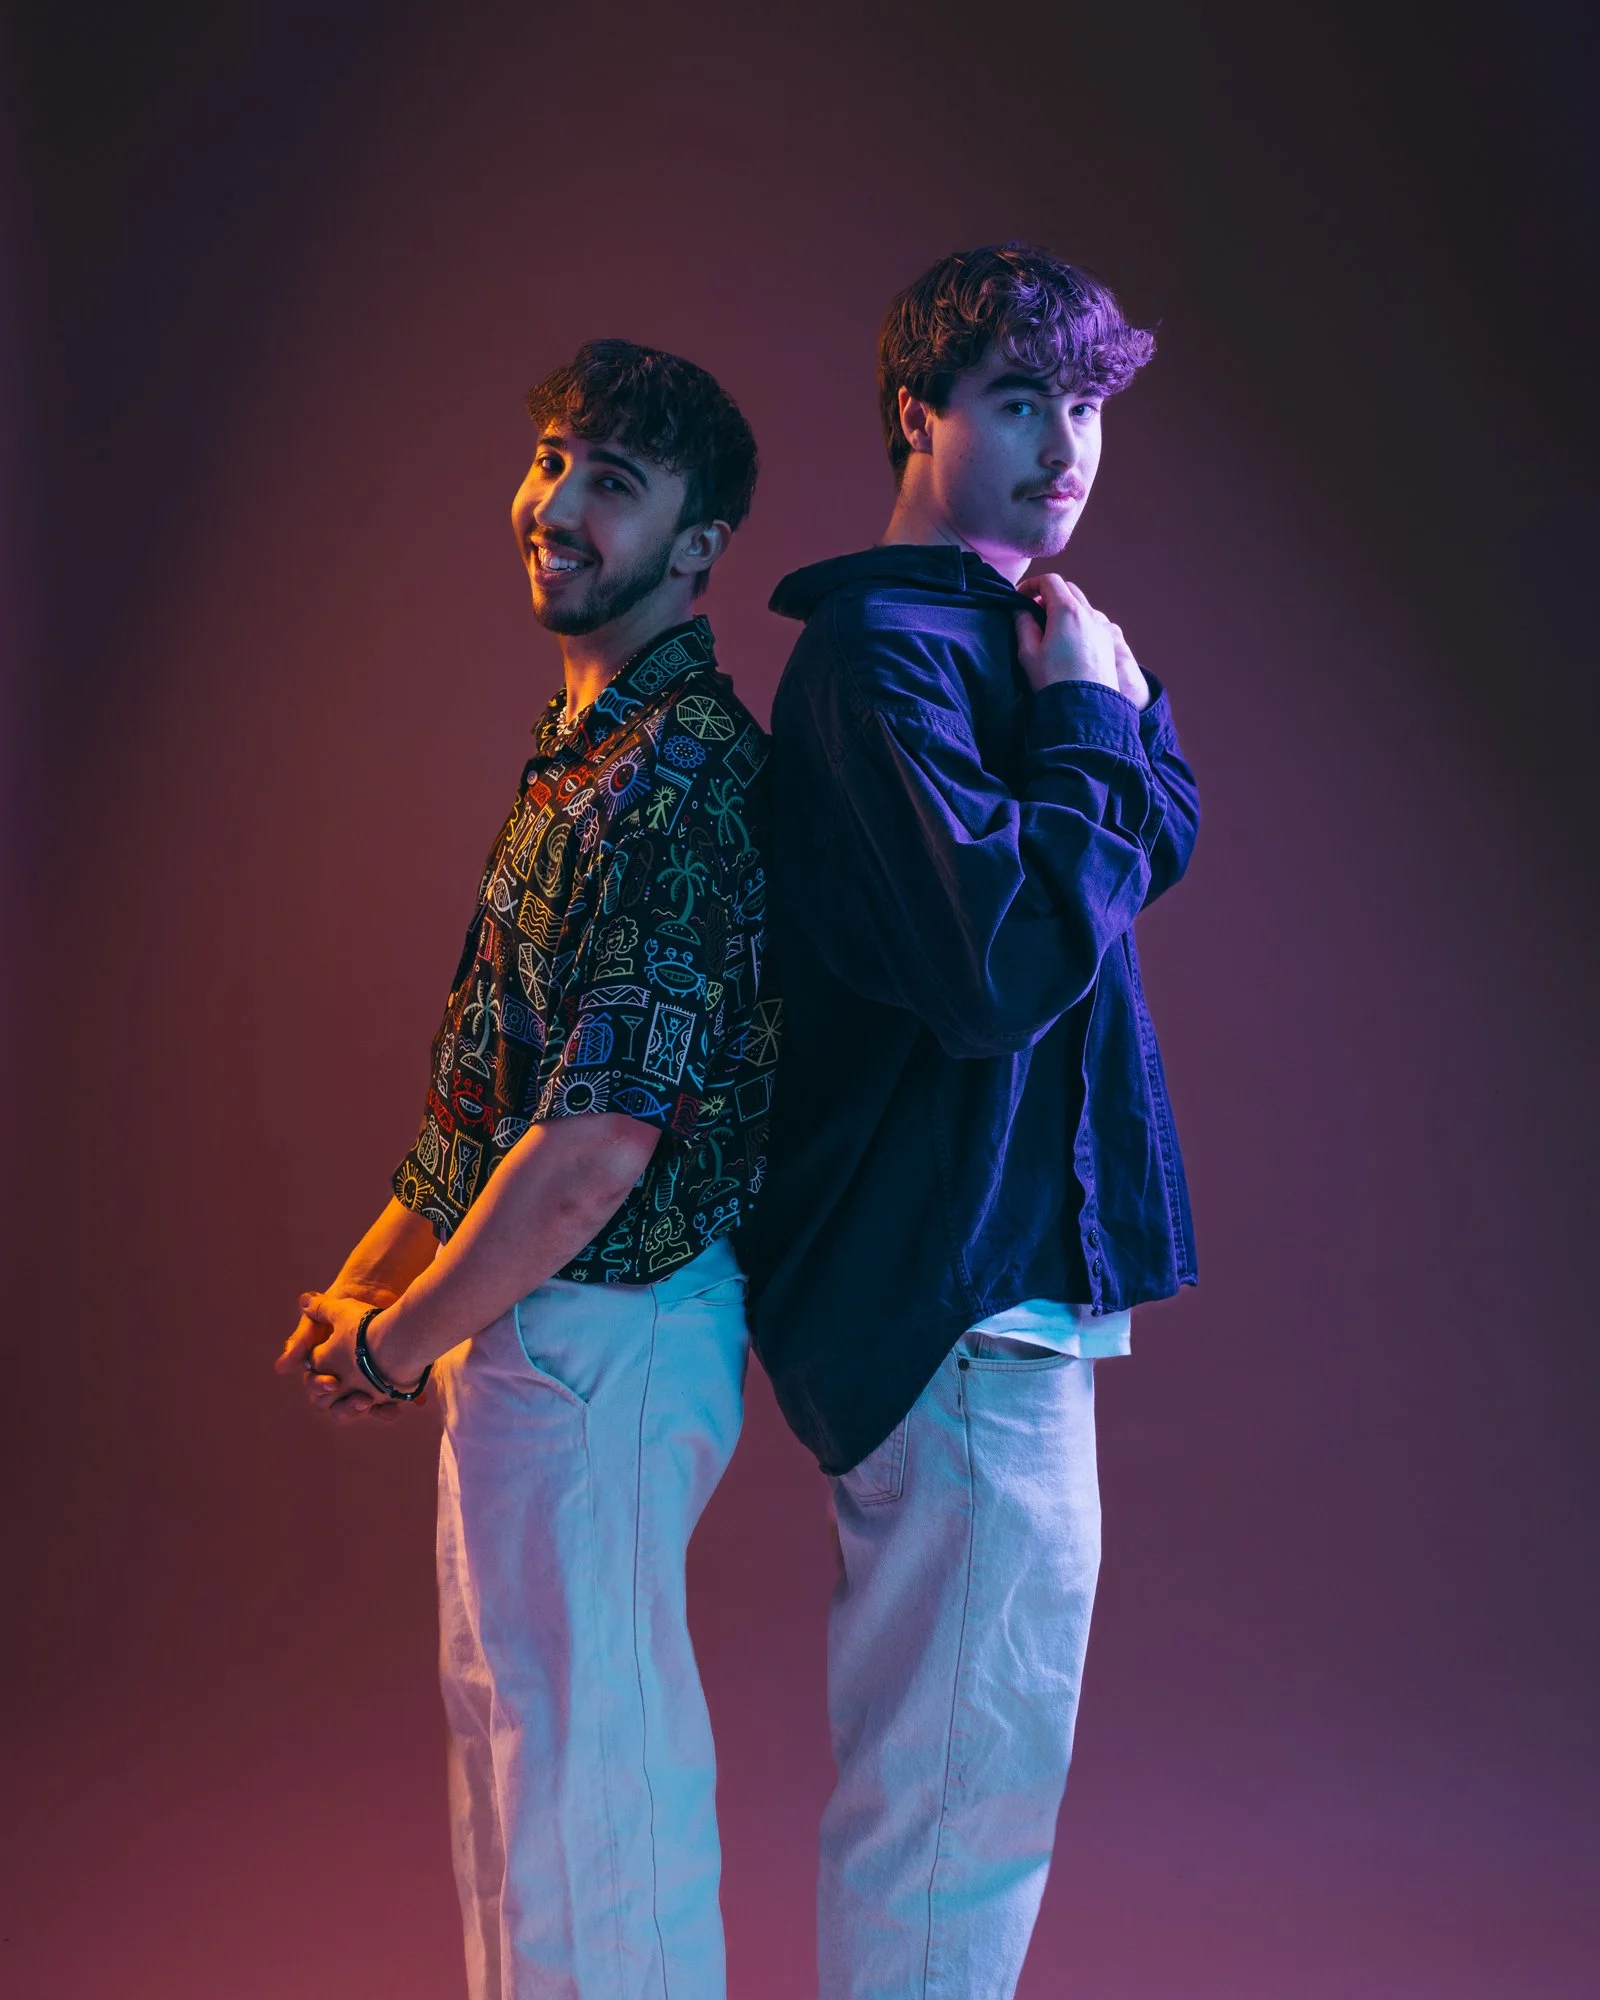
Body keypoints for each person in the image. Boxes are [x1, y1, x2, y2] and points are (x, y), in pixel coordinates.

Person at [276, 338, 777, 2000]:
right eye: (553, 460)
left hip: (610, 1345)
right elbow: (481, 1099)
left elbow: (591, 1156)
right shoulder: (576, 756)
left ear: (698, 547)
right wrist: (371, 1278)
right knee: (520, 1776)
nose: (554, 506)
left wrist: (391, 1342)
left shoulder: (683, 773)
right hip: (527, 1343)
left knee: (594, 1805)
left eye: (610, 485)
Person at [737, 243, 1201, 1998]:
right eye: (1020, 398)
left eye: (1086, 403)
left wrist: (1090, 708)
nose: (1067, 441)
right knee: (953, 1796)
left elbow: (1173, 815)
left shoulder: (1029, 630)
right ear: (915, 414)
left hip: (1018, 1289)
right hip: (955, 1293)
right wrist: (1089, 715)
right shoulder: (883, 660)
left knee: (974, 1780)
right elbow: (1007, 961)